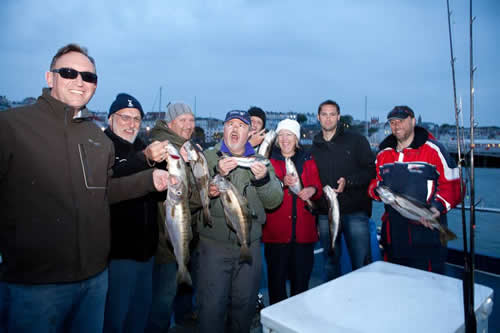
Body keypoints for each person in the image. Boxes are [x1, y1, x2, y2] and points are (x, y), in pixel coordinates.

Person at [0, 43, 169, 333]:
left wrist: (148, 180)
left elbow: (103, 193)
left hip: (94, 281)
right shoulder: (12, 125)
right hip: (34, 285)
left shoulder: (96, 137)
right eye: (69, 72)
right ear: (49, 77)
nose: (80, 81)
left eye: (88, 77)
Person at [196, 110, 283, 333]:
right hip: (213, 247)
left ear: (249, 132)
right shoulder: (207, 158)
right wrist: (214, 178)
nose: (235, 129)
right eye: (230, 124)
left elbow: (274, 201)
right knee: (211, 308)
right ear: (223, 129)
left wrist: (263, 179)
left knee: (244, 308)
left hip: (250, 246)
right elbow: (189, 198)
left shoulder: (261, 161)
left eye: (241, 125)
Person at [103, 93, 169, 332]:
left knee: (139, 317)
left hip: (146, 252)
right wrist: (145, 159)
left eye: (137, 119)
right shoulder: (103, 146)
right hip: (118, 255)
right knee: (114, 319)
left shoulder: (142, 145)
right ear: (110, 119)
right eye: (125, 118)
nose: (131, 124)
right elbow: (110, 181)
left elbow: (158, 191)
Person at [368, 106, 461, 274]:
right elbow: (376, 182)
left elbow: (454, 185)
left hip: (426, 230)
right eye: (392, 122)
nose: (396, 126)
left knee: (428, 282)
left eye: (401, 121)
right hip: (393, 232)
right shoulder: (383, 154)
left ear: (413, 121)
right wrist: (375, 190)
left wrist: (436, 208)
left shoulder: (434, 150)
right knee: (395, 279)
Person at [145, 102, 201, 332]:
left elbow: (194, 195)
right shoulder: (164, 149)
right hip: (167, 235)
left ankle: (184, 317)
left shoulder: (187, 147)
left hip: (187, 229)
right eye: (182, 120)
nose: (188, 125)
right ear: (170, 123)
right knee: (163, 296)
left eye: (191, 120)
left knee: (182, 286)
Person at [311, 100, 375, 281]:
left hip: (355, 212)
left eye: (332, 114)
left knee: (362, 264)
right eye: (324, 114)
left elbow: (371, 170)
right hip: (325, 214)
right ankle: (334, 305)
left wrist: (349, 182)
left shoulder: (357, 140)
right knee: (330, 264)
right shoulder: (313, 147)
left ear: (338, 117)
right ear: (318, 117)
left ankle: (363, 304)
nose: (328, 118)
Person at [262, 119, 323, 304]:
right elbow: (262, 190)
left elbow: (318, 187)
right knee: (276, 284)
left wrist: (312, 190)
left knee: (301, 285)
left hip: (304, 234)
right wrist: (282, 183)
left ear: (296, 138)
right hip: (276, 234)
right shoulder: (268, 161)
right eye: (280, 135)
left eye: (289, 134)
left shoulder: (308, 159)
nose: (284, 139)